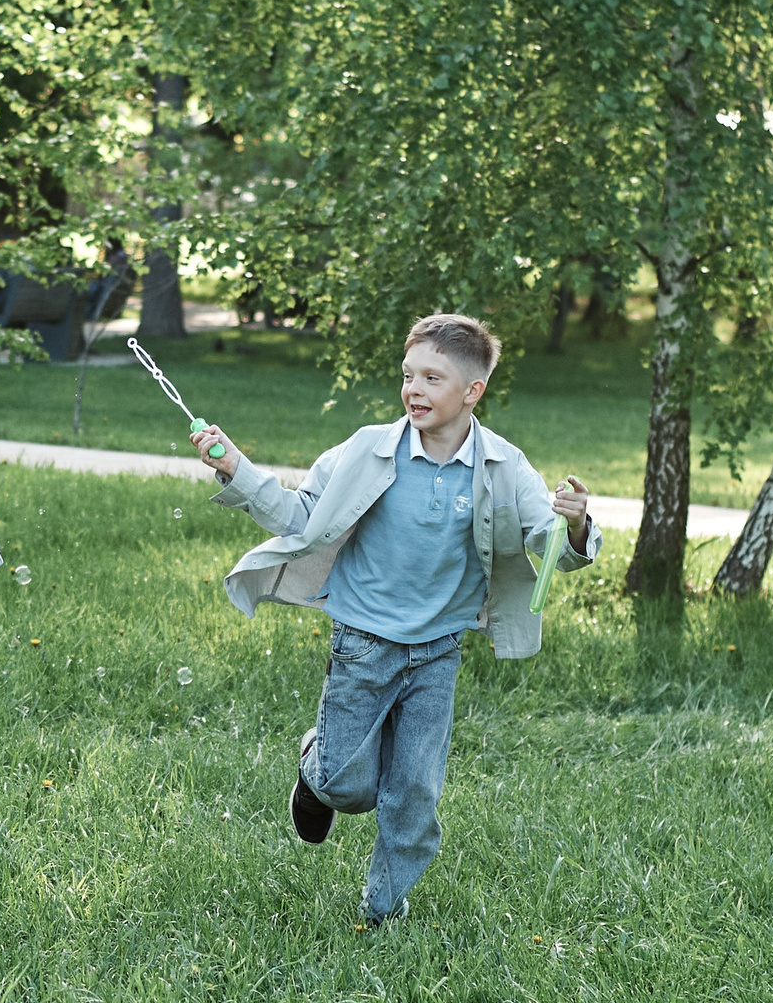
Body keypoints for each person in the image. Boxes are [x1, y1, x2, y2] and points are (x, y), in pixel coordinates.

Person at [190, 313, 596, 926]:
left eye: (433, 378)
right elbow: (302, 515)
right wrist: (237, 470)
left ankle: (383, 909)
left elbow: (547, 544)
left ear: (471, 393)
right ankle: (315, 766)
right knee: (348, 784)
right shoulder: (366, 449)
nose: (414, 389)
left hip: (437, 652)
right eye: (409, 375)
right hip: (363, 642)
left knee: (414, 794)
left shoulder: (504, 467)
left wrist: (575, 525)